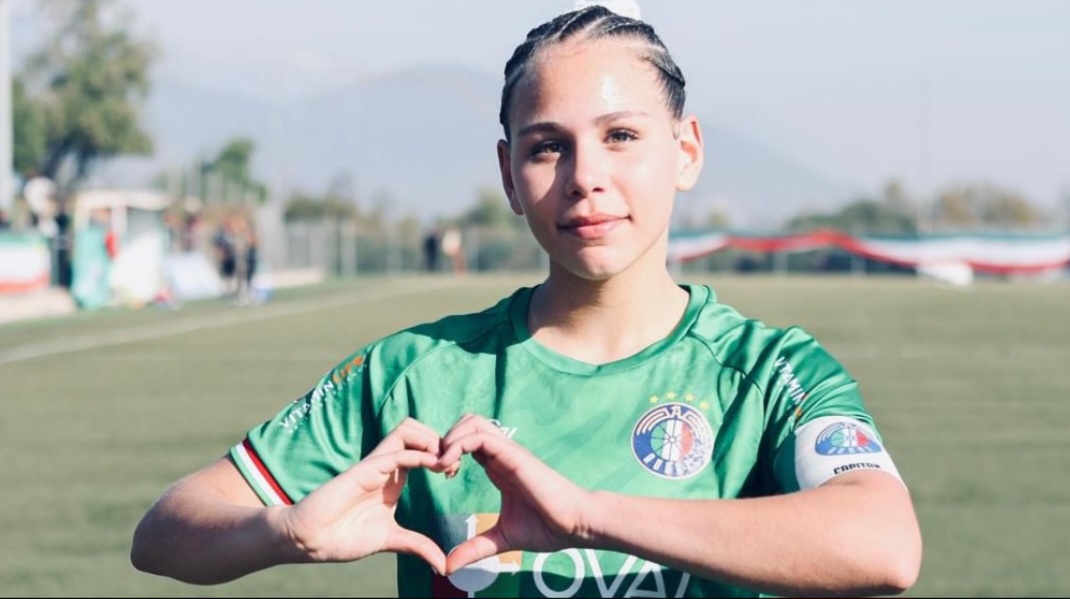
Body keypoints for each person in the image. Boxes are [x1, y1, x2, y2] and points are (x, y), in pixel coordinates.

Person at [130, 5, 922, 597]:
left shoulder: (770, 372)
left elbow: (884, 544)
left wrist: (587, 516)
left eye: (621, 136)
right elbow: (167, 531)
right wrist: (282, 530)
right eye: (549, 147)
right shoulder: (416, 373)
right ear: (509, 176)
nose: (586, 177)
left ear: (685, 151)